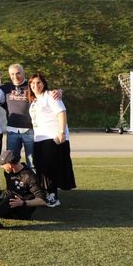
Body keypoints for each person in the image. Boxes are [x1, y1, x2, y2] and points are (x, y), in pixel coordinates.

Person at [28, 73, 75, 207]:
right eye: (33, 83)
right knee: (40, 167)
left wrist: (61, 133)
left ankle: (53, 196)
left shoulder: (51, 96)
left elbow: (61, 113)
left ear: (44, 84)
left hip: (52, 138)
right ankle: (45, 192)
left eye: (38, 83)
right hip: (39, 139)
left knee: (51, 168)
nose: (35, 86)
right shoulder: (35, 101)